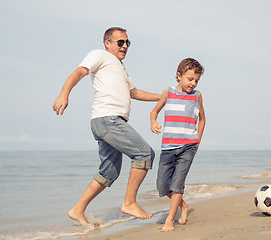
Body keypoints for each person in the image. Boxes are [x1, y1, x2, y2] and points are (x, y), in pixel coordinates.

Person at [52, 27, 160, 226]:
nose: (125, 46)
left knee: (109, 172)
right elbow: (79, 72)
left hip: (107, 122)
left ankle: (77, 210)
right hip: (108, 119)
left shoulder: (120, 67)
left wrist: (162, 97)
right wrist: (64, 93)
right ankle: (129, 203)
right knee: (144, 154)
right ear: (107, 43)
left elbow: (134, 93)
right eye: (120, 42)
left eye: (128, 43)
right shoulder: (100, 55)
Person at [150, 58, 206, 231]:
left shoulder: (197, 95)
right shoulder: (169, 92)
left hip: (188, 146)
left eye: (196, 80)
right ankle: (184, 206)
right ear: (179, 75)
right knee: (162, 186)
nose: (193, 83)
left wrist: (197, 140)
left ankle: (169, 220)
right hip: (168, 147)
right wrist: (153, 121)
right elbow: (154, 111)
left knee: (177, 184)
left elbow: (202, 119)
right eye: (190, 79)